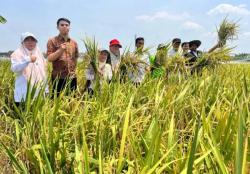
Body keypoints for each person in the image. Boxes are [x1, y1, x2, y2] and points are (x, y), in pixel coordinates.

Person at [11, 32, 48, 108]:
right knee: (23, 114)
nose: (30, 42)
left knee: (36, 114)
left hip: (38, 91)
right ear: (22, 42)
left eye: (33, 40)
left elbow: (43, 73)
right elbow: (14, 68)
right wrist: (27, 60)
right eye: (27, 40)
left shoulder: (38, 53)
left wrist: (46, 89)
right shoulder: (17, 53)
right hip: (23, 91)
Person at [47, 18, 79, 97]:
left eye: (66, 25)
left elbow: (76, 58)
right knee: (57, 101)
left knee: (72, 101)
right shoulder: (52, 41)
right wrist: (60, 50)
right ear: (57, 27)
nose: (64, 26)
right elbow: (49, 58)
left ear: (69, 27)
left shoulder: (74, 42)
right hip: (58, 77)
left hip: (72, 77)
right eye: (62, 25)